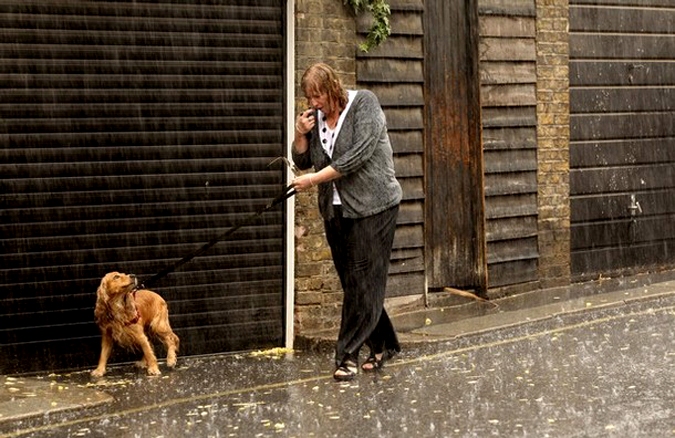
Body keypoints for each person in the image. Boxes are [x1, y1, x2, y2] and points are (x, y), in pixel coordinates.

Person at [291, 62, 402, 381]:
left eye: (319, 95)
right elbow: (303, 160)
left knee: (362, 280)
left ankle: (347, 356)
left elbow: (354, 158)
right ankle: (384, 344)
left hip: (375, 207)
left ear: (333, 88)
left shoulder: (364, 104)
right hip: (336, 210)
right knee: (354, 282)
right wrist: (301, 134)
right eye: (309, 97)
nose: (314, 103)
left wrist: (312, 181)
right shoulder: (318, 120)